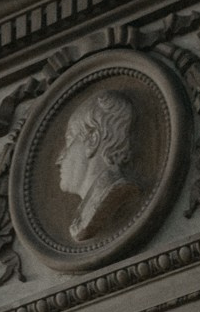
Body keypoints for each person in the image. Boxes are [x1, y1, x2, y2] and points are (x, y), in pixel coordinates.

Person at [55, 88, 140, 243]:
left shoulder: (116, 191)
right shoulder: (83, 214)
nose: (59, 159)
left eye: (69, 141)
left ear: (93, 140)